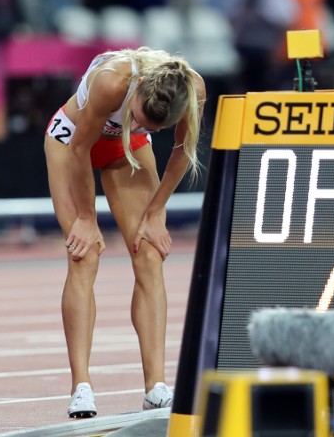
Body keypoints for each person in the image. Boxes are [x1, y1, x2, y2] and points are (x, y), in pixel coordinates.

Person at [43, 47, 205, 418]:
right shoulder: (113, 80)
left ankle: (156, 387)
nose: (146, 126)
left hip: (123, 145)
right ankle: (81, 386)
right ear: (140, 88)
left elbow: (182, 150)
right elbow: (80, 149)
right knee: (83, 255)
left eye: (154, 128)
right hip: (71, 141)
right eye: (139, 117)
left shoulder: (192, 90)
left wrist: (156, 210)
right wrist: (87, 216)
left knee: (149, 252)